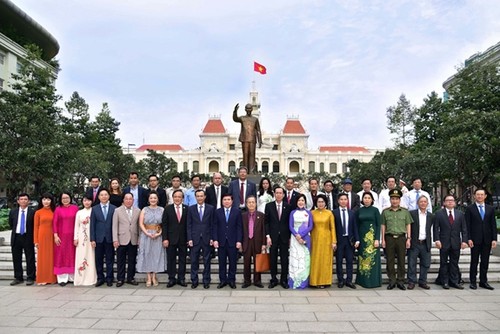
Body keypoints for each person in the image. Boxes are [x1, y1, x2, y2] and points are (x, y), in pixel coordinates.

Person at [433, 194, 468, 289]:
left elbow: (464, 229)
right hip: (443, 242)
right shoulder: (439, 213)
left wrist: (464, 241)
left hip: (456, 242)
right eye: (448, 200)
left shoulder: (460, 214)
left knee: (454, 263)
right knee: (443, 263)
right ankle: (444, 281)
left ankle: (454, 281)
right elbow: (436, 228)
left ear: (455, 203)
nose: (450, 202)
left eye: (452, 200)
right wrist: (437, 240)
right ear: (444, 203)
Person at [381, 189, 412, 290]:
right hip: (389, 237)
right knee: (389, 260)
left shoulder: (405, 212)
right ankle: (392, 280)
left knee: (401, 260)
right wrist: (383, 240)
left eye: (397, 199)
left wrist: (408, 238)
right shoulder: (385, 212)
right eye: (393, 199)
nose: (395, 201)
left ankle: (400, 281)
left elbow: (408, 225)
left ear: (400, 200)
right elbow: (383, 226)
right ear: (390, 200)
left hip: (401, 238)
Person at [466, 188, 497, 290]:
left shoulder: (490, 209)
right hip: (475, 240)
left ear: (485, 196)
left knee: (485, 261)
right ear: (475, 196)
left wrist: (494, 239)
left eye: (481, 195)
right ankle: (473, 281)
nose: (479, 196)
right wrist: (468, 238)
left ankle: (483, 281)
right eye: (478, 194)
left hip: (487, 240)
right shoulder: (470, 208)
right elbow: (468, 225)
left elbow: (493, 225)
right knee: (474, 261)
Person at [187, 189, 215, 289]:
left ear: (205, 197)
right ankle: (194, 280)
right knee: (194, 261)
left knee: (207, 261)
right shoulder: (191, 209)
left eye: (201, 196)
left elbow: (213, 224)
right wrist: (189, 238)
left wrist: (212, 237)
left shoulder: (211, 208)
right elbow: (189, 225)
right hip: (194, 239)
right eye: (198, 196)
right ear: (195, 197)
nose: (199, 198)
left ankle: (206, 280)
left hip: (207, 238)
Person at [213, 193, 243, 289]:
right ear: (222, 201)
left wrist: (239, 240)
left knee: (232, 262)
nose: (226, 201)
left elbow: (239, 227)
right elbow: (215, 227)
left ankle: (231, 280)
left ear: (232, 201)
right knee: (222, 263)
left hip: (233, 241)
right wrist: (215, 239)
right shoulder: (217, 212)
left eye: (228, 199)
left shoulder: (237, 212)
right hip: (221, 241)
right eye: (224, 199)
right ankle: (222, 280)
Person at [137, 191, 166, 287]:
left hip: (158, 235)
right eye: (151, 198)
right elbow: (141, 223)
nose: (153, 200)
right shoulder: (144, 210)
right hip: (146, 235)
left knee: (156, 255)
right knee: (147, 254)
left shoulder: (162, 210)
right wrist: (147, 233)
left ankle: (154, 276)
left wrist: (159, 233)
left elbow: (164, 224)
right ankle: (148, 276)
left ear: (157, 199)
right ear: (148, 200)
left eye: (155, 198)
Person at [265, 187, 291, 289]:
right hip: (273, 237)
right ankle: (273, 279)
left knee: (284, 259)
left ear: (283, 195)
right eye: (277, 193)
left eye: (281, 193)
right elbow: (266, 222)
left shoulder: (288, 206)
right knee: (273, 258)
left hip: (284, 237)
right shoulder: (269, 206)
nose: (279, 195)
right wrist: (268, 236)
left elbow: (290, 223)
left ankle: (284, 279)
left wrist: (289, 237)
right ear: (274, 194)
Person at [112, 193, 141, 287]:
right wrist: (115, 239)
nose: (128, 201)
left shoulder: (138, 211)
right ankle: (120, 279)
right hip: (121, 238)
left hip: (133, 238)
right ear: (123, 200)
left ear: (133, 200)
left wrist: (139, 238)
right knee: (121, 260)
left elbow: (138, 226)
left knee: (132, 260)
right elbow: (114, 226)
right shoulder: (117, 210)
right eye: (126, 199)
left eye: (130, 199)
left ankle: (130, 278)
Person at [90, 189, 116, 287]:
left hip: (110, 237)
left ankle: (110, 278)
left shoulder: (114, 208)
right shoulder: (95, 208)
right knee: (99, 259)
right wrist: (92, 239)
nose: (104, 196)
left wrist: (115, 238)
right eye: (102, 195)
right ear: (99, 197)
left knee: (110, 259)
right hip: (98, 238)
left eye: (106, 195)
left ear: (109, 196)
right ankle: (100, 278)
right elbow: (92, 225)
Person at [162, 189, 188, 288]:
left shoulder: (187, 209)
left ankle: (181, 278)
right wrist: (165, 238)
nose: (177, 198)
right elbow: (164, 225)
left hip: (183, 239)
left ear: (182, 198)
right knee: (171, 259)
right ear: (172, 198)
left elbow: (188, 225)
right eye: (175, 197)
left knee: (182, 259)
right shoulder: (167, 209)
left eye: (179, 197)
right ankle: (171, 278)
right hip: (170, 239)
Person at [355, 192, 382, 288]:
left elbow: (379, 225)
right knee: (363, 259)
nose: (367, 199)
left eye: (369, 198)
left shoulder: (375, 210)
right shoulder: (359, 211)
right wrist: (357, 239)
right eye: (365, 198)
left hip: (372, 238)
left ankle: (373, 282)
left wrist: (377, 239)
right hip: (362, 239)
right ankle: (363, 281)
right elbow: (356, 225)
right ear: (362, 200)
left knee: (372, 260)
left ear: (372, 200)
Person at [333, 193, 360, 288]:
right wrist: (333, 241)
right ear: (338, 201)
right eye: (341, 199)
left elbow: (355, 227)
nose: (343, 201)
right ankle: (340, 280)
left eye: (345, 199)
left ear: (347, 201)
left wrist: (357, 240)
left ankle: (349, 280)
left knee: (349, 261)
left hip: (350, 240)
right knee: (339, 261)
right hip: (339, 240)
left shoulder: (352, 213)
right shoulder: (334, 213)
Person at [310, 194, 336, 288]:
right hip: (315, 239)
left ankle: (324, 281)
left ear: (325, 203)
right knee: (315, 260)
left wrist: (334, 241)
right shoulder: (312, 213)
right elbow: (309, 226)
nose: (320, 204)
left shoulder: (329, 213)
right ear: (316, 203)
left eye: (322, 202)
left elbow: (332, 227)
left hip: (327, 240)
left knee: (325, 260)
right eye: (318, 202)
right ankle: (314, 281)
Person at [53, 192, 79, 286]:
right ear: (60, 199)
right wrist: (55, 235)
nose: (65, 200)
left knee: (72, 256)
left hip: (73, 236)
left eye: (67, 197)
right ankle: (62, 278)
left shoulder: (75, 208)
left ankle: (72, 277)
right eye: (63, 198)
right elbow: (54, 223)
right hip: (61, 237)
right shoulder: (58, 209)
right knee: (61, 256)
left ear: (70, 198)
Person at [407, 196, 433, 290]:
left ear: (427, 203)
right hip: (415, 242)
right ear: (418, 203)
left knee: (425, 263)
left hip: (425, 242)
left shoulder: (430, 215)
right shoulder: (412, 214)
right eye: (421, 202)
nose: (423, 203)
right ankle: (411, 281)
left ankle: (423, 281)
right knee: (411, 263)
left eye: (425, 202)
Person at [288, 194, 313, 289]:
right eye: (299, 200)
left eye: (302, 200)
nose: (301, 202)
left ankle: (303, 282)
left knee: (304, 260)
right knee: (295, 259)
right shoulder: (292, 213)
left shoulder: (308, 213)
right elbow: (290, 226)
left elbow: (310, 226)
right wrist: (296, 235)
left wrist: (301, 235)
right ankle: (293, 282)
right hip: (295, 239)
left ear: (305, 202)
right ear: (296, 202)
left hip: (305, 239)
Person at [241, 196, 266, 288]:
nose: (251, 204)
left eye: (253, 202)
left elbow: (264, 230)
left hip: (258, 242)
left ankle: (257, 281)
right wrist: (240, 242)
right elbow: (240, 230)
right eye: (249, 202)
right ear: (246, 204)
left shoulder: (261, 215)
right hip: (246, 242)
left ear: (256, 204)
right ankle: (247, 281)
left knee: (257, 262)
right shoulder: (243, 216)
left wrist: (264, 243)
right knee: (246, 262)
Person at [33, 193, 57, 285]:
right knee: (42, 258)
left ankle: (52, 278)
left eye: (48, 199)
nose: (46, 202)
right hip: (42, 236)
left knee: (52, 257)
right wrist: (36, 241)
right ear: (41, 201)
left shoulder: (54, 211)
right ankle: (42, 278)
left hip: (52, 236)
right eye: (44, 199)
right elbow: (36, 227)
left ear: (51, 201)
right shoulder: (38, 212)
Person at [73, 195, 97, 286]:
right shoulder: (79, 212)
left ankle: (90, 278)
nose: (87, 202)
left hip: (91, 238)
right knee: (81, 255)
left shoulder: (94, 211)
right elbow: (76, 226)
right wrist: (76, 238)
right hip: (81, 238)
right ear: (82, 202)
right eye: (85, 200)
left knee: (91, 256)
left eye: (89, 200)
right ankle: (80, 278)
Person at [232, 103, 262, 174]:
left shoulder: (255, 119)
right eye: (247, 109)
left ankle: (251, 170)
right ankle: (245, 170)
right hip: (244, 139)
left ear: (252, 109)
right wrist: (235, 111)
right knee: (245, 154)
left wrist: (260, 140)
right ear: (245, 109)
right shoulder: (242, 118)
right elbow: (235, 119)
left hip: (252, 139)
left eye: (250, 108)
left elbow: (258, 130)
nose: (248, 110)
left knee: (252, 154)